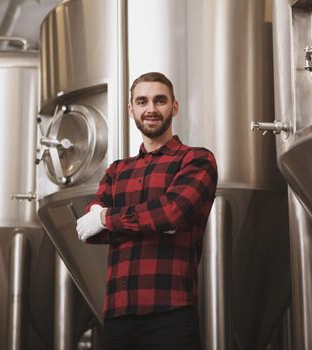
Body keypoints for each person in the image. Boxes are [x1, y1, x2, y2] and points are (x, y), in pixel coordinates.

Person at [76, 72, 218, 350]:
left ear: (174, 107)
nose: (151, 109)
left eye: (160, 100)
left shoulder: (196, 159)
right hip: (117, 316)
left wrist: (106, 219)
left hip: (170, 314)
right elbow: (88, 231)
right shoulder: (117, 170)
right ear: (131, 110)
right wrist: (151, 219)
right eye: (142, 102)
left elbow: (172, 213)